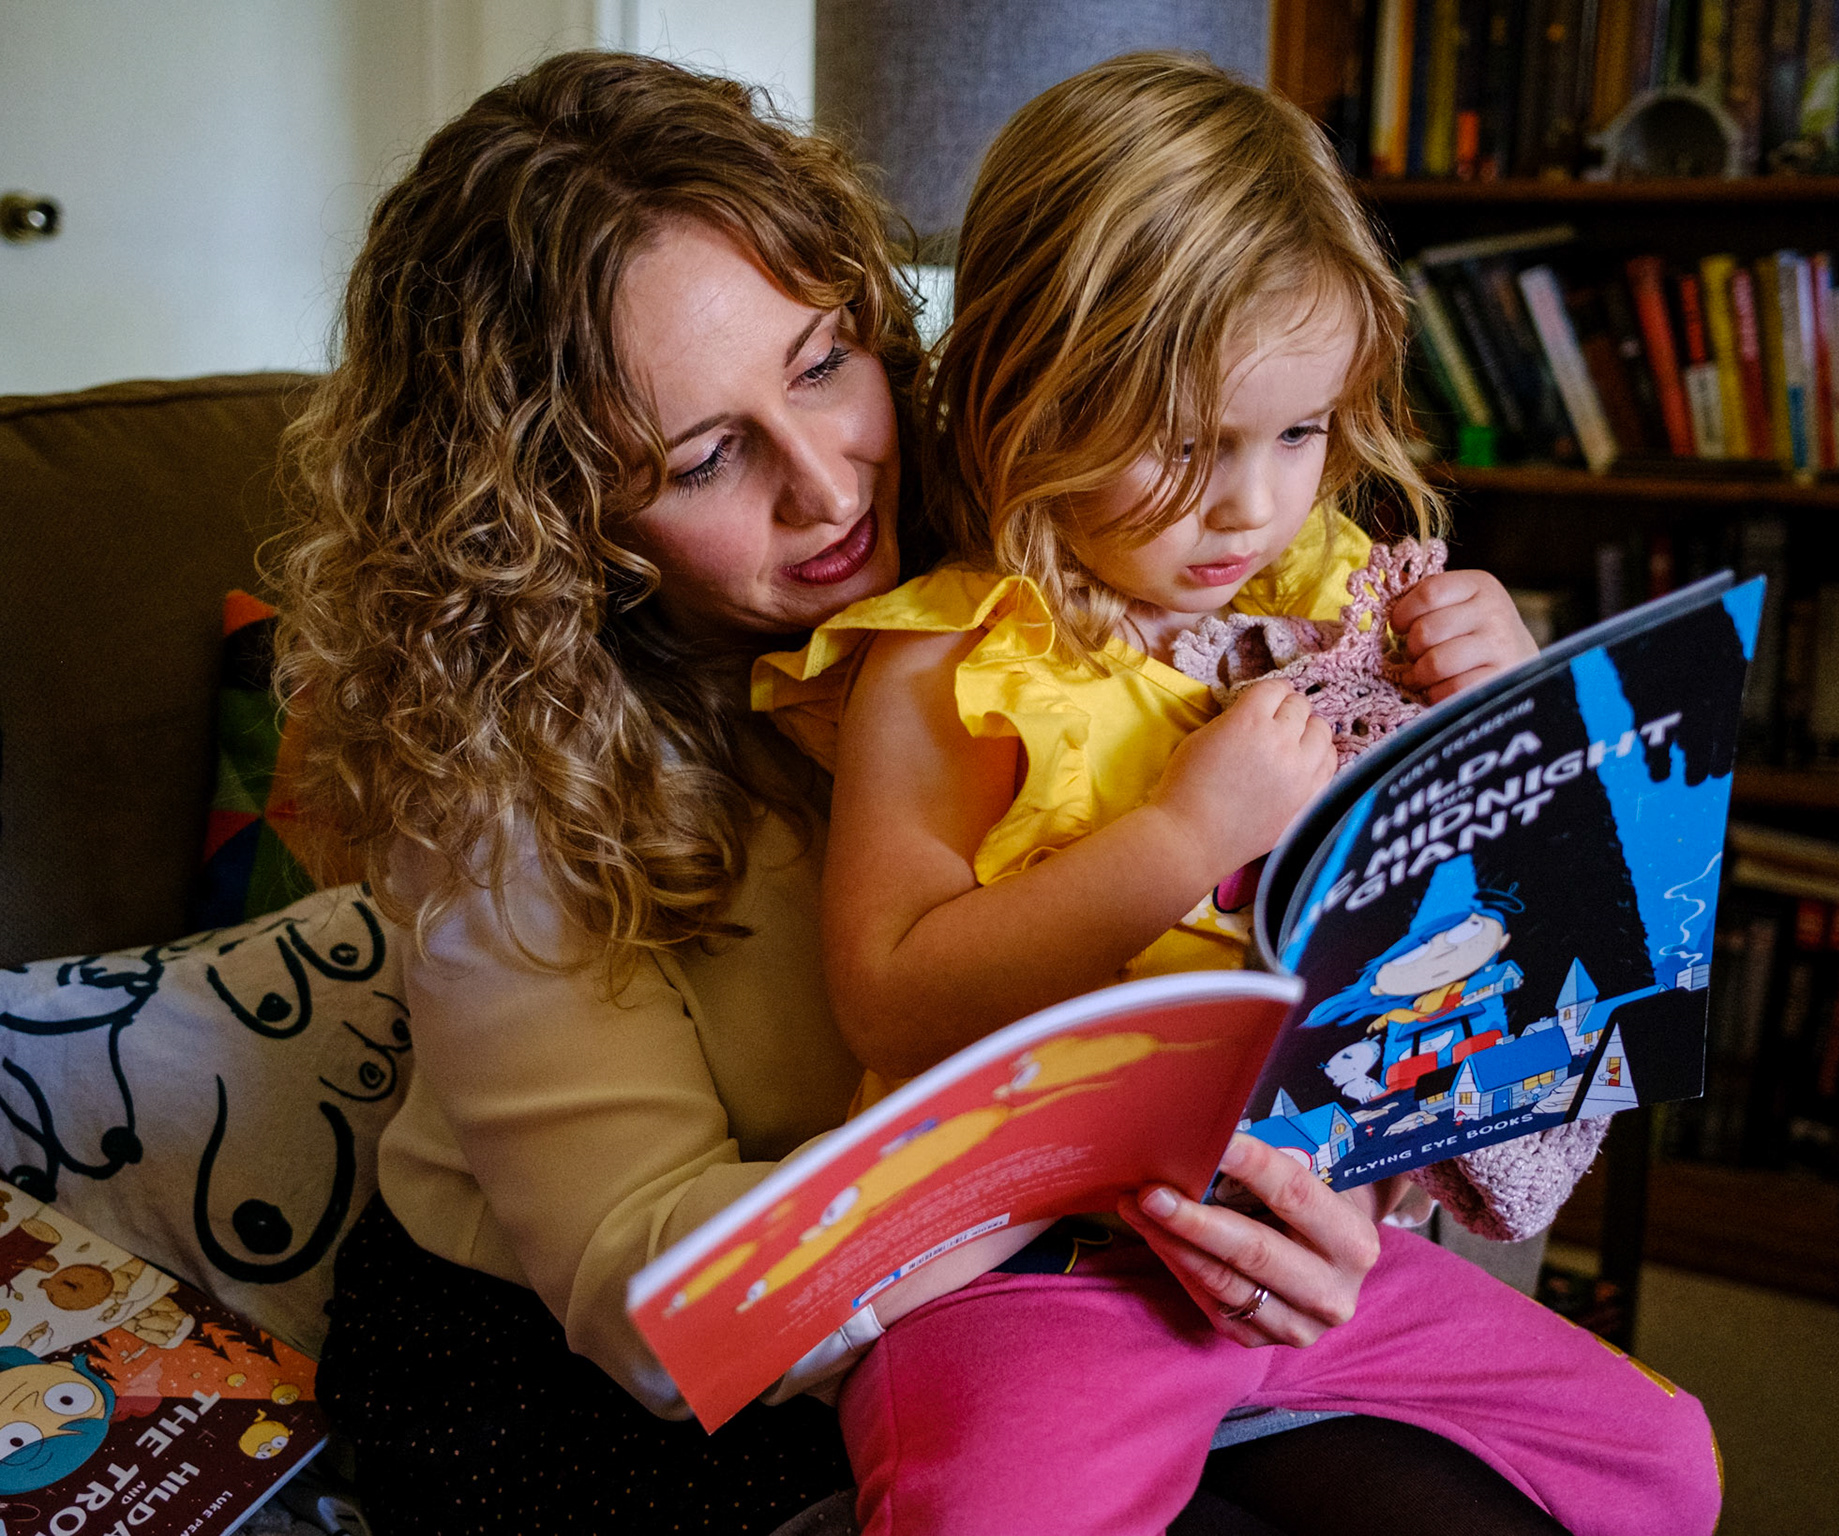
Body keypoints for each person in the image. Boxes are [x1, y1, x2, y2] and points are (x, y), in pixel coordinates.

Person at [279, 49, 1571, 1536]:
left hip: (1049, 1274)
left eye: (822, 363)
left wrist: (1331, 1183)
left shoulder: (1053, 522)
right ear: (547, 519)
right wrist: (1127, 1148)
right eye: (705, 459)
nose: (832, 489)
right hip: (617, 1384)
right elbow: (661, 1302)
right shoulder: (497, 791)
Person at [756, 54, 1722, 1536]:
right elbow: (888, 997)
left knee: (1661, 1462)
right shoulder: (951, 659)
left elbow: (1490, 895)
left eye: (1298, 431)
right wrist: (1183, 837)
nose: (1251, 505)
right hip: (1042, 1275)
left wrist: (1513, 698)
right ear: (1029, 391)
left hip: (1307, 1249)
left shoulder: (1331, 602)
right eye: (1185, 440)